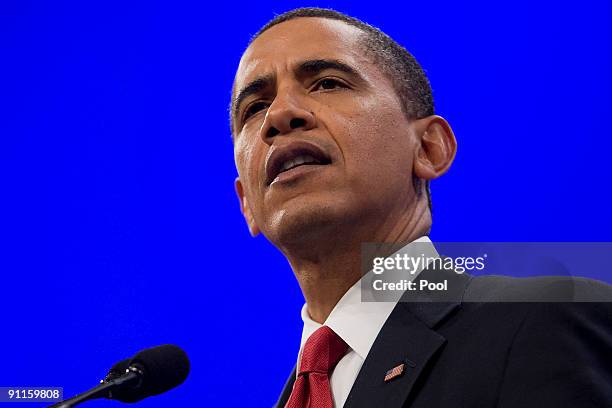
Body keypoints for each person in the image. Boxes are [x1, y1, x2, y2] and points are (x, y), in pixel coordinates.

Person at [230, 7, 612, 408]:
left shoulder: (543, 323)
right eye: (254, 108)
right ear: (246, 204)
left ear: (429, 148)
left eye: (327, 83)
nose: (279, 115)